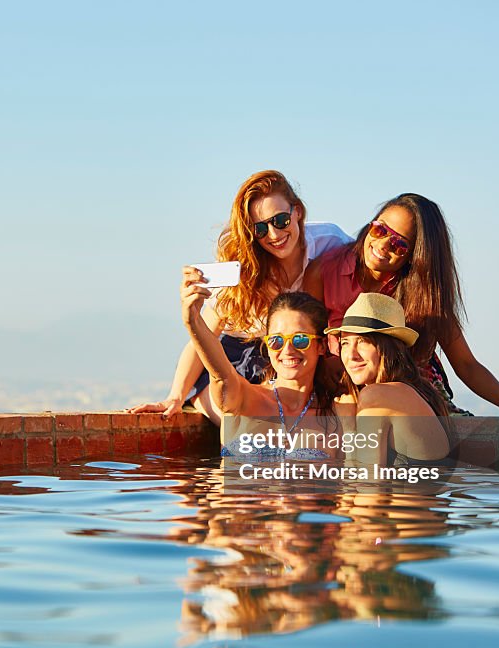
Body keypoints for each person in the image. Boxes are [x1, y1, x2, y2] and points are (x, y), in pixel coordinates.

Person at [304, 193, 499, 439]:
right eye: (380, 230)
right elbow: (308, 339)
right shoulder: (325, 270)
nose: (382, 245)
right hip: (341, 392)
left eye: (399, 245)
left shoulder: (426, 294)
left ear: (415, 255)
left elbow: (466, 364)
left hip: (410, 394)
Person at [130, 170, 351, 425]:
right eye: (259, 228)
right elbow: (204, 337)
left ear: (297, 212)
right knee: (244, 428)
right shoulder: (240, 268)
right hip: (232, 361)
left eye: (280, 220)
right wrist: (175, 397)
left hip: (299, 357)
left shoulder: (331, 242)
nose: (273, 235)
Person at [179, 272, 354, 455]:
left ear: (321, 345)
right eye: (276, 340)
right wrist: (193, 321)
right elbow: (221, 375)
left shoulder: (336, 416)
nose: (287, 350)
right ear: (267, 346)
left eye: (300, 339)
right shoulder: (243, 400)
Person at [325, 293, 451, 467]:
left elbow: (366, 483)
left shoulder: (378, 395)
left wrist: (348, 427)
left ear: (389, 347)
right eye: (345, 343)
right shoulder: (416, 391)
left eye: (363, 341)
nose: (351, 355)